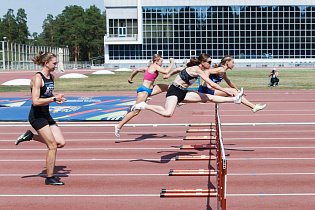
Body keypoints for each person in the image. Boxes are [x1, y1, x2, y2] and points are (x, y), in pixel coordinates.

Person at [131, 53, 243, 117]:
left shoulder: (194, 69)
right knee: (168, 113)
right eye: (209, 62)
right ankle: (144, 106)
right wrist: (228, 91)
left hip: (183, 92)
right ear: (202, 63)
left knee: (209, 97)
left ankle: (235, 99)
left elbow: (179, 69)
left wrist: (169, 75)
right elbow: (211, 83)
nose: (210, 63)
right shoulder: (197, 70)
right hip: (174, 91)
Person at [15, 51, 67, 185]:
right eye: (54, 63)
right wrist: (53, 98)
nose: (56, 66)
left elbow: (48, 94)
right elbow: (35, 101)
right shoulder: (37, 78)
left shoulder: (51, 77)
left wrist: (56, 99)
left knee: (60, 142)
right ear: (46, 63)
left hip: (46, 115)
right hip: (37, 116)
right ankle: (49, 178)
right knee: (52, 145)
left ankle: (30, 136)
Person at [114, 54, 174, 137]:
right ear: (156, 61)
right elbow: (166, 71)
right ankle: (118, 126)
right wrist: (171, 62)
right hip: (144, 91)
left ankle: (176, 101)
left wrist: (130, 78)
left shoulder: (149, 68)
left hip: (150, 89)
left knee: (169, 88)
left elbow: (137, 70)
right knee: (136, 112)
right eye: (161, 61)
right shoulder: (154, 66)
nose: (162, 62)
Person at [198, 55, 266, 113]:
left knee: (234, 92)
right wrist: (208, 84)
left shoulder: (223, 72)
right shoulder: (221, 70)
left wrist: (238, 90)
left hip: (209, 90)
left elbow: (229, 82)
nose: (233, 64)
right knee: (233, 91)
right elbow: (207, 71)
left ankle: (252, 106)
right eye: (232, 62)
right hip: (205, 90)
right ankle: (253, 107)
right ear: (227, 62)